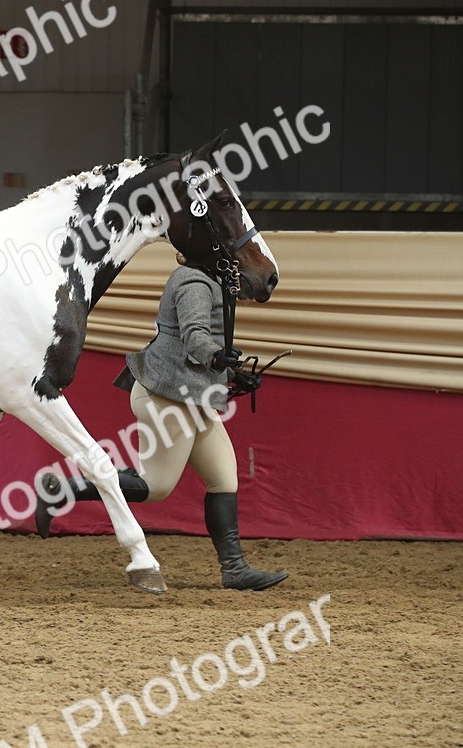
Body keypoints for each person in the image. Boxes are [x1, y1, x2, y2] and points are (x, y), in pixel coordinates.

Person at [35, 253, 288, 591]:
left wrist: (231, 372)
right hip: (168, 396)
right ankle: (61, 490)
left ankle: (235, 569)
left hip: (191, 396)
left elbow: (200, 343)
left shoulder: (212, 281)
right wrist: (216, 356)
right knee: (156, 487)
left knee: (224, 479)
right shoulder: (195, 281)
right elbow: (195, 336)